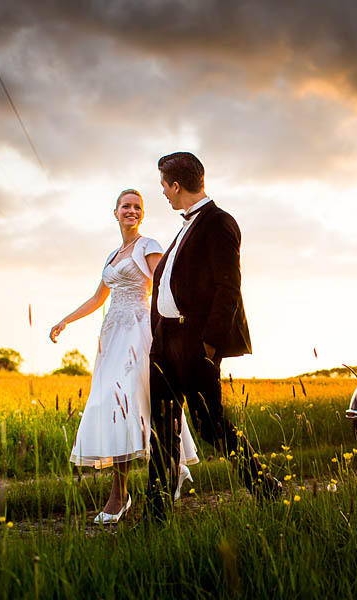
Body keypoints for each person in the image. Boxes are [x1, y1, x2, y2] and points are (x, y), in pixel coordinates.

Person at [143, 152, 280, 525]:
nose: (165, 195)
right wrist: (157, 338)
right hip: (164, 343)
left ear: (176, 185)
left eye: (164, 187)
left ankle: (265, 486)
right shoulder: (183, 228)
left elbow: (228, 287)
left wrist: (209, 344)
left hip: (194, 342)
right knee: (162, 429)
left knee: (209, 425)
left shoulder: (219, 222)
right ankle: (155, 513)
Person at [49, 188, 199, 524]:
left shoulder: (149, 245)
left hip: (139, 332)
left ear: (141, 214)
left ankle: (162, 475)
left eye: (137, 207)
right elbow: (97, 298)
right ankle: (122, 493)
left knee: (139, 404)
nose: (131, 211)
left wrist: (176, 327)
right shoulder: (112, 255)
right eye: (125, 206)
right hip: (112, 336)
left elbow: (163, 282)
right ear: (115, 212)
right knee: (109, 405)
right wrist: (65, 320)